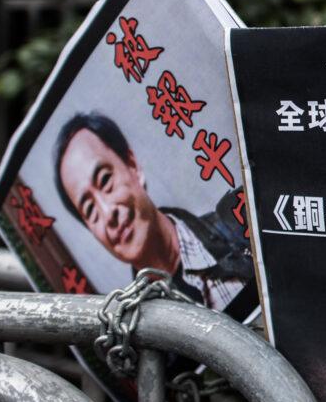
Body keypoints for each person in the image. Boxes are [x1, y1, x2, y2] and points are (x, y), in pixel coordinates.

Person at [53, 111, 252, 310]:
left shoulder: (241, 221)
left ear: (132, 166)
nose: (107, 213)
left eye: (105, 180)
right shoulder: (134, 332)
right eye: (89, 209)